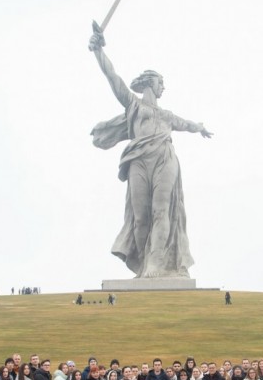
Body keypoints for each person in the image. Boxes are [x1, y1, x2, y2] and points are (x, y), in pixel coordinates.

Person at [88, 25, 213, 279]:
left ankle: (156, 264)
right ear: (150, 82)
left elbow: (186, 124)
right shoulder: (133, 105)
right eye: (161, 82)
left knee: (161, 210)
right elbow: (113, 78)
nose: (163, 87)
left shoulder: (166, 116)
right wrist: (98, 51)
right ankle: (145, 263)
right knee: (141, 217)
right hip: (138, 161)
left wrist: (199, 127)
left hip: (164, 158)